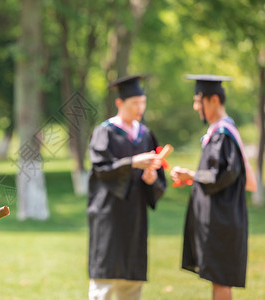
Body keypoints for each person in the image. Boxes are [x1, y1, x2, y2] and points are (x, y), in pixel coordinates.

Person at [170, 75, 257, 300]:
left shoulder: (223, 135)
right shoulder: (219, 133)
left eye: (199, 100)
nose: (195, 106)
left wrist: (193, 175)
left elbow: (223, 175)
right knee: (218, 280)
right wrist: (193, 177)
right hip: (220, 219)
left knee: (220, 280)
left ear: (214, 100)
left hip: (223, 220)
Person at [87, 75, 167, 300]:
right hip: (108, 215)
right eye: (135, 103)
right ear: (120, 103)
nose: (140, 108)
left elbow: (158, 179)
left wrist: (152, 180)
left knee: (131, 282)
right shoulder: (105, 132)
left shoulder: (146, 134)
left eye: (143, 102)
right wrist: (132, 162)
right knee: (105, 279)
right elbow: (101, 169)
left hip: (135, 217)